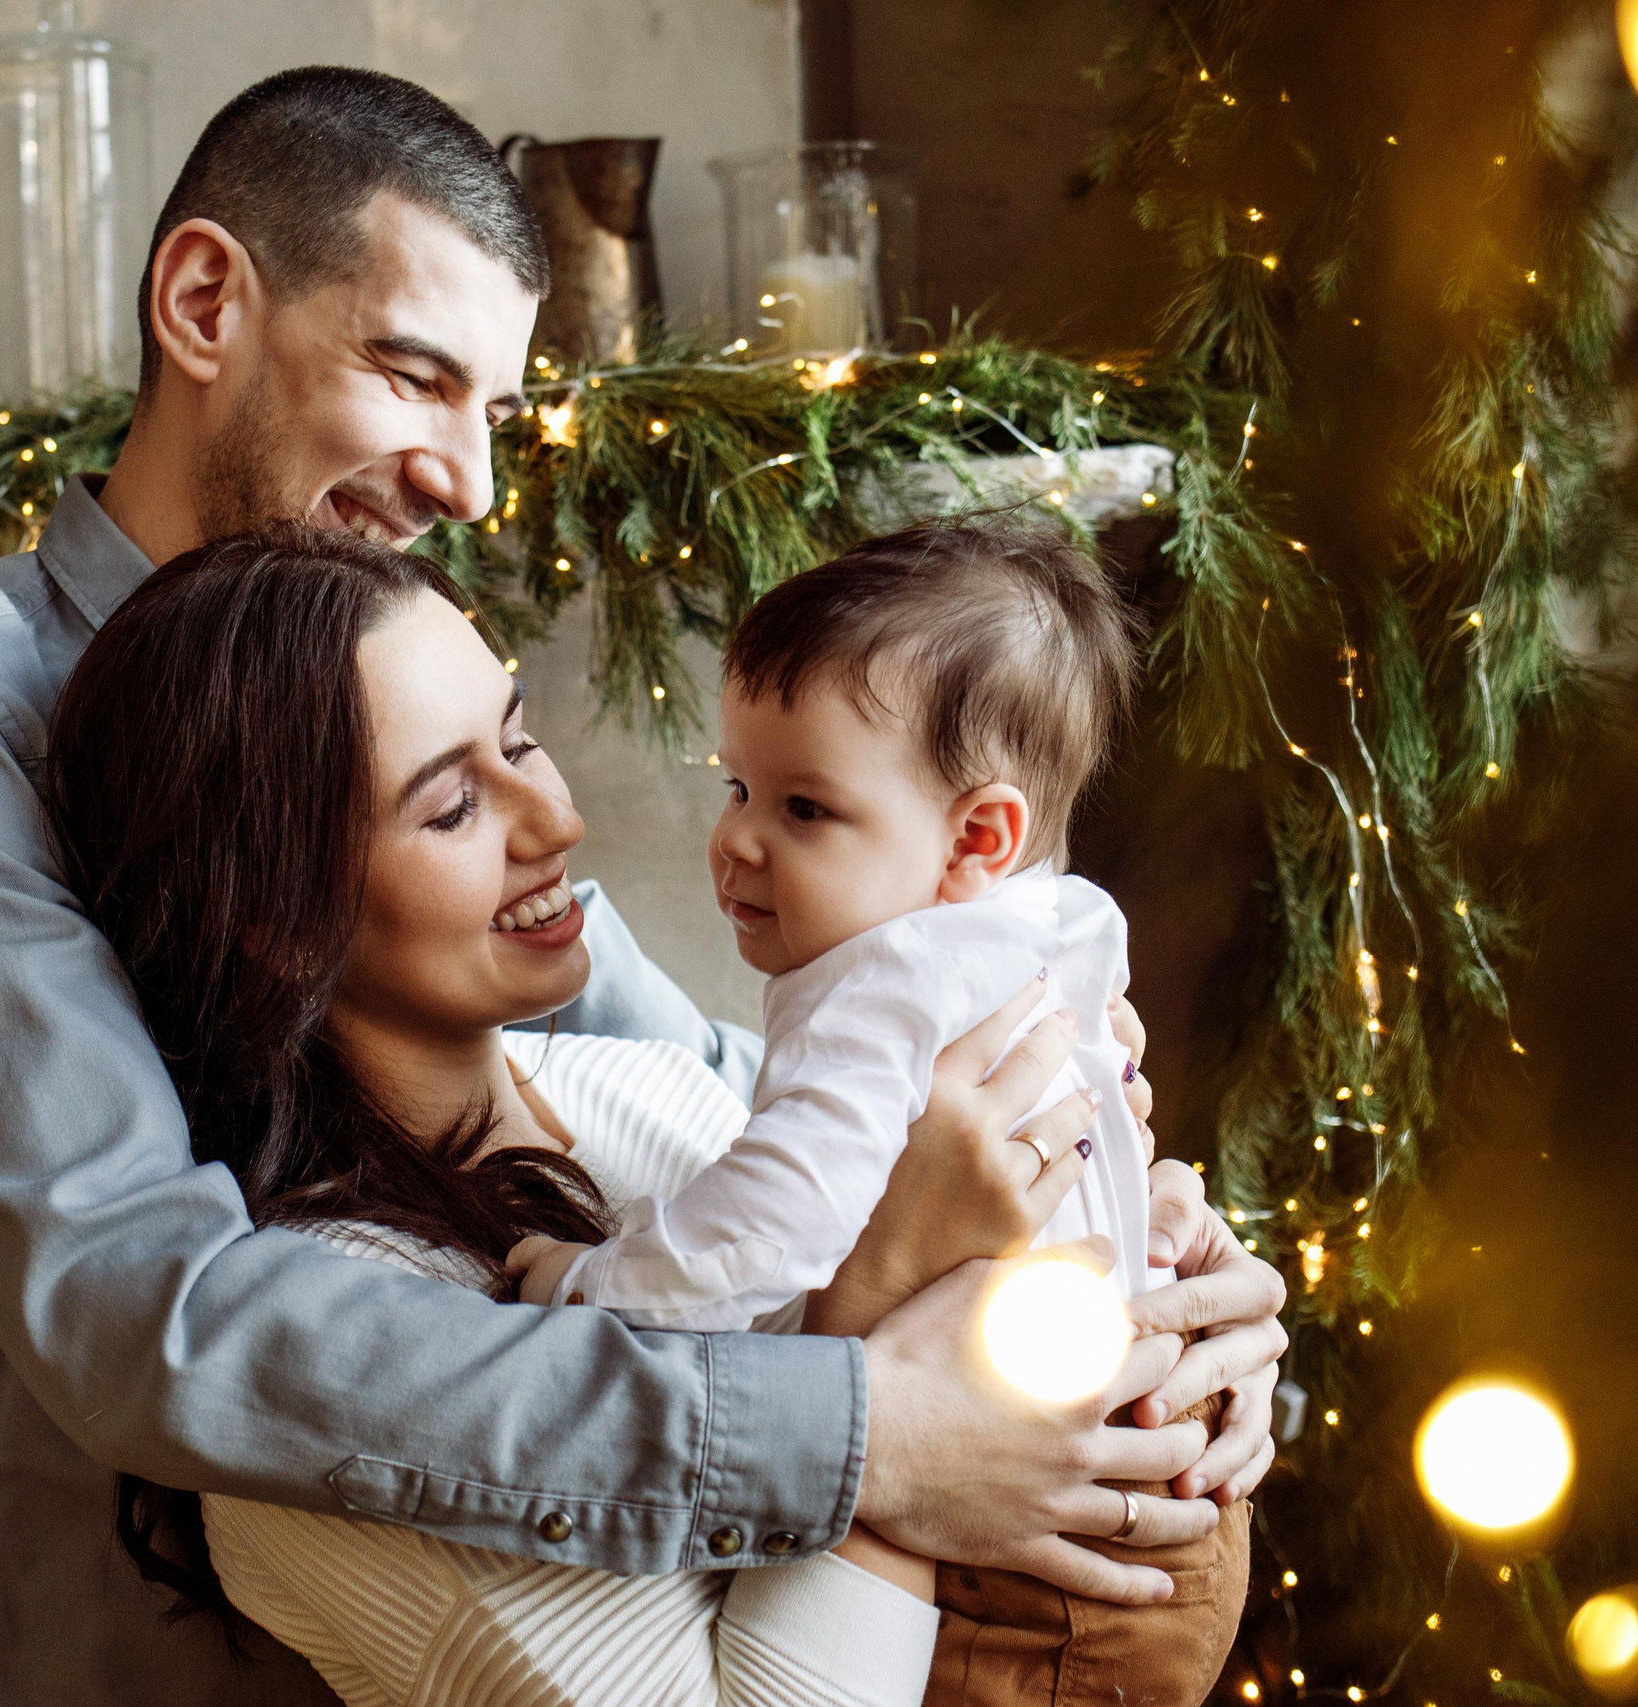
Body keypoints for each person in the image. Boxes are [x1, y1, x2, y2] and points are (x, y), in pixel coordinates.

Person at [0, 64, 1286, 1705]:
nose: (472, 486)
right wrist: (877, 1433)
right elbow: (150, 1312)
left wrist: (1155, 1274)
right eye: (417, 376)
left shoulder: (394, 680)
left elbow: (736, 1088)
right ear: (206, 300)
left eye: (494, 406)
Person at [43, 523, 1185, 1704]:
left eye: (521, 741)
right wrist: (896, 1419)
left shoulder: (654, 1089)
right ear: (277, 920)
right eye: (451, 810)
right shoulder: (349, 1378)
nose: (553, 824)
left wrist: (1171, 1281)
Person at [508, 518, 1250, 1705]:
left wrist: (582, 1284)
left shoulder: (888, 984)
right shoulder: (1048, 921)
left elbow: (764, 1231)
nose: (736, 840)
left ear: (975, 837)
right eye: (739, 786)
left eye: (805, 810)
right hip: (1139, 1474)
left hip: (1051, 1559)